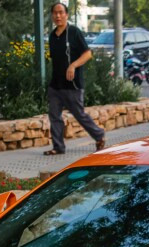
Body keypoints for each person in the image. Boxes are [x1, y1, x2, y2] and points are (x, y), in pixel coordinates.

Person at [44, 2, 107, 155]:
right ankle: (58, 147)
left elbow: (87, 54)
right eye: (55, 13)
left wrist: (73, 65)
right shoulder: (52, 36)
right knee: (54, 116)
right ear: (52, 16)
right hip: (55, 84)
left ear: (66, 15)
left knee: (79, 114)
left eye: (61, 13)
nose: (58, 16)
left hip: (73, 84)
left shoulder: (74, 32)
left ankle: (99, 135)